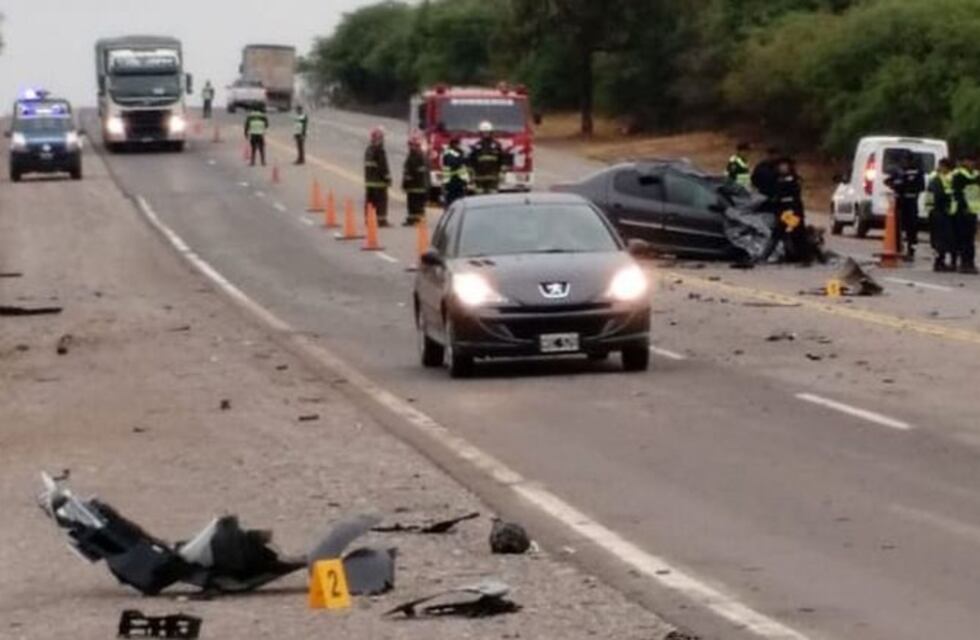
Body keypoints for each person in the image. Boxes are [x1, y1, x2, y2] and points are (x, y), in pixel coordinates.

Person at [884, 150, 926, 261]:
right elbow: (888, 181)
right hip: (900, 202)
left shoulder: (917, 172)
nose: (905, 162)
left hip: (911, 202)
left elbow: (921, 187)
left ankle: (911, 251)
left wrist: (907, 186)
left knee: (911, 228)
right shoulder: (899, 171)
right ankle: (898, 248)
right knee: (898, 226)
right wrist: (895, 185)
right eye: (903, 159)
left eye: (906, 159)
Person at [951, 156, 980, 274]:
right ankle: (964, 263)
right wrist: (964, 207)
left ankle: (970, 262)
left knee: (970, 239)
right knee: (963, 238)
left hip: (973, 210)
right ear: (964, 162)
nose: (971, 163)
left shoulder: (977, 175)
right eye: (968, 161)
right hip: (962, 211)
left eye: (973, 161)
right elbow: (957, 193)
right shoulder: (959, 175)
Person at [927, 158, 956, 272]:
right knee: (940, 240)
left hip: (941, 212)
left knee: (942, 239)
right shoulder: (937, 179)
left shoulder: (942, 179)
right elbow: (937, 196)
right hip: (939, 212)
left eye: (941, 166)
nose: (939, 168)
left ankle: (940, 261)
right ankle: (938, 262)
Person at [468, 121, 509, 194]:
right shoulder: (477, 146)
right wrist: (471, 174)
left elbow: (502, 159)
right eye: (484, 132)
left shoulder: (496, 145)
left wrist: (502, 172)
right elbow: (471, 161)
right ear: (480, 133)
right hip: (479, 177)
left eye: (487, 132)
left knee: (492, 195)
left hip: (493, 177)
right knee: (479, 195)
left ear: (491, 133)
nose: (485, 134)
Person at [364, 127, 392, 227]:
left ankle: (368, 219)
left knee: (370, 202)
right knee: (381, 202)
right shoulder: (380, 151)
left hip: (369, 182)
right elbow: (383, 167)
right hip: (379, 183)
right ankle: (381, 220)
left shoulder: (368, 150)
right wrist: (387, 178)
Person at [402, 135, 429, 226]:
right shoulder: (411, 155)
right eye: (410, 145)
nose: (410, 147)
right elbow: (406, 171)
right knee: (411, 204)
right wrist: (405, 183)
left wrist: (410, 178)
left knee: (418, 205)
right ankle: (411, 219)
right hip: (412, 186)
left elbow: (418, 172)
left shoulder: (420, 156)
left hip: (418, 186)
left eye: (412, 145)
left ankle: (419, 220)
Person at [441, 136, 469, 209]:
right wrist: (462, 159)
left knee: (460, 200)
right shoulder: (449, 153)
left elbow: (463, 167)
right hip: (452, 182)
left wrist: (465, 181)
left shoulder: (459, 153)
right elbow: (453, 164)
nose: (458, 145)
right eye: (457, 144)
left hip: (459, 181)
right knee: (451, 200)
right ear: (453, 144)